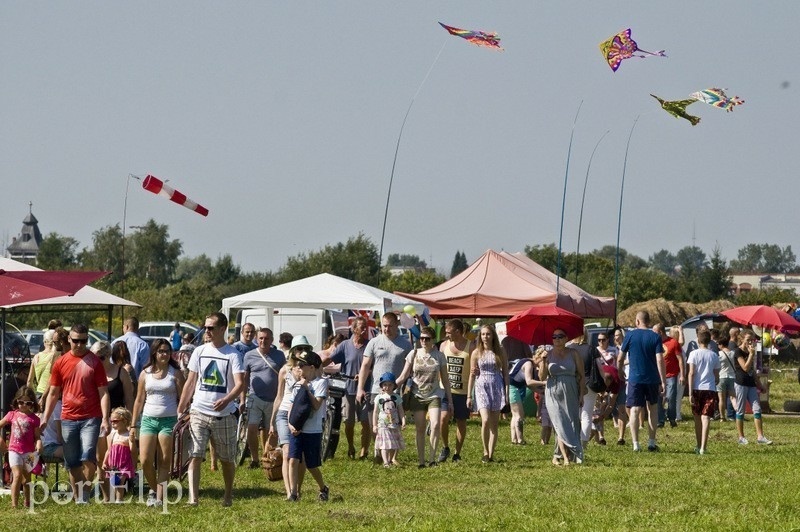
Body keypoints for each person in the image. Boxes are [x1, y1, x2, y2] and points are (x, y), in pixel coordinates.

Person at [177, 312, 245, 507]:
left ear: (222, 329)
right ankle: (193, 498)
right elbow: (191, 381)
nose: (206, 331)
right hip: (199, 410)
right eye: (205, 327)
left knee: (226, 459)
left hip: (224, 415)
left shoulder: (233, 354)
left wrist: (227, 400)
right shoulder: (199, 351)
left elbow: (240, 384)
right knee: (195, 454)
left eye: (211, 328)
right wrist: (182, 407)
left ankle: (228, 494)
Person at [41, 324, 111, 503]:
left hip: (91, 417)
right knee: (72, 462)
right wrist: (45, 418)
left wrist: (105, 418)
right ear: (69, 340)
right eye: (76, 341)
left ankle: (83, 497)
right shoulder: (61, 362)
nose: (80, 345)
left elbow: (103, 392)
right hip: (68, 418)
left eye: (84, 341)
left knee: (88, 457)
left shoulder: (94, 362)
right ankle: (79, 496)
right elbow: (54, 393)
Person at [131, 337, 185, 508]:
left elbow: (183, 398)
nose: (165, 354)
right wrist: (133, 424)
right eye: (161, 351)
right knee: (145, 459)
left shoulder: (175, 373)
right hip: (148, 420)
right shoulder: (145, 373)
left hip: (169, 421)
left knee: (164, 460)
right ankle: (155, 489)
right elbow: (139, 400)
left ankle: (160, 498)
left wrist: (183, 416)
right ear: (154, 353)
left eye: (168, 351)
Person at [356, 312, 413, 461]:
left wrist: (399, 383)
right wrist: (360, 388)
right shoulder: (374, 342)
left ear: (397, 325)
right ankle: (380, 451)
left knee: (393, 424)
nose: (387, 329)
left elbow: (409, 368)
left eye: (390, 326)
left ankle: (390, 456)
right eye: (384, 326)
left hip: (395, 391)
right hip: (376, 390)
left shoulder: (405, 344)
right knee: (374, 424)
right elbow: (365, 366)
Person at [396, 326, 452, 468]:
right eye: (421, 338)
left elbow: (445, 380)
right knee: (420, 428)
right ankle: (421, 461)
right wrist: (389, 387)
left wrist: (450, 400)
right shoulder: (413, 354)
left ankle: (432, 459)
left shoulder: (439, 356)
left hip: (434, 394)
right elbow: (403, 376)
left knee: (435, 424)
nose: (424, 341)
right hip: (417, 394)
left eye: (427, 339)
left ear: (433, 340)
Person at [323, 316, 370, 460]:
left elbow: (372, 366)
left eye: (365, 327)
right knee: (348, 422)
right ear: (354, 329)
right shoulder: (345, 345)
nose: (364, 330)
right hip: (348, 389)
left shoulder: (369, 345)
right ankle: (350, 446)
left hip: (366, 389)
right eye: (361, 327)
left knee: (365, 422)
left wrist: (364, 375)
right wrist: (316, 366)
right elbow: (330, 358)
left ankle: (364, 450)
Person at [93, 340, 134, 502]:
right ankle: (106, 496)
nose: (98, 361)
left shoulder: (120, 372)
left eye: (101, 357)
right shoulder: (93, 373)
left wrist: (131, 422)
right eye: (95, 357)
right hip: (99, 420)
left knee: (116, 460)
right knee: (100, 458)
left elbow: (129, 398)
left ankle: (118, 494)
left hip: (119, 423)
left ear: (109, 355)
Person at [286, 349, 329, 502]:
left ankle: (323, 487)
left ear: (311, 367)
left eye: (303, 366)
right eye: (298, 365)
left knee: (311, 465)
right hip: (296, 429)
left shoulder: (321, 383)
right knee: (293, 460)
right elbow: (291, 405)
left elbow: (317, 405)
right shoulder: (298, 384)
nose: (299, 368)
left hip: (312, 430)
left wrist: (306, 388)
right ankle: (293, 493)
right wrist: (290, 424)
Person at [619, 311, 665, 452]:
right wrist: (663, 380)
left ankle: (635, 444)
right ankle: (651, 442)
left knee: (635, 410)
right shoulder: (655, 336)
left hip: (635, 378)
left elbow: (620, 357)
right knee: (653, 409)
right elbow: (659, 359)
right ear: (648, 321)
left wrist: (620, 370)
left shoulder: (630, 335)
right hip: (652, 378)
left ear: (637, 321)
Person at [240, 327, 286, 468]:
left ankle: (267, 457)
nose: (263, 341)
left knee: (270, 430)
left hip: (274, 399)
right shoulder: (249, 355)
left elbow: (284, 376)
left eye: (266, 338)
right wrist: (242, 399)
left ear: (271, 340)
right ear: (256, 339)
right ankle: (254, 459)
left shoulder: (279, 355)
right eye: (260, 338)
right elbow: (244, 379)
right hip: (255, 396)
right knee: (252, 428)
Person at [539, 328, 585, 465]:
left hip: (570, 389)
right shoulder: (548, 355)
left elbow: (582, 376)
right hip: (552, 391)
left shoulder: (574, 353)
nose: (557, 339)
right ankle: (566, 457)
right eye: (554, 336)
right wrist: (543, 361)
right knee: (559, 423)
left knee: (571, 422)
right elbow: (542, 377)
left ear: (566, 338)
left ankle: (557, 456)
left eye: (560, 336)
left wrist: (582, 394)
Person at [268, 338, 306, 499]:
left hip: (301, 413)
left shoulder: (308, 369)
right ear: (293, 351)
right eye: (298, 349)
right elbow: (279, 395)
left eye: (304, 349)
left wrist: (302, 375)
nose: (301, 352)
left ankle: (297, 488)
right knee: (286, 451)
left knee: (300, 455)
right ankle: (289, 491)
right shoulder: (284, 370)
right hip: (283, 413)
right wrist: (272, 421)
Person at [466, 324, 508, 463]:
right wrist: (469, 395)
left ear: (493, 335)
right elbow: (472, 374)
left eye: (488, 334)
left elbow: (506, 373)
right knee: (485, 420)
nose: (485, 337)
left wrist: (506, 392)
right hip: (481, 385)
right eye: (483, 334)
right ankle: (485, 451)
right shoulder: (476, 352)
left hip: (496, 385)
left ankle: (491, 453)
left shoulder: (500, 350)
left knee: (494, 424)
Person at [0, 386, 42, 508]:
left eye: (28, 403)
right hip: (14, 450)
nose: (23, 405)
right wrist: (1, 440)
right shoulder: (11, 415)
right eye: (21, 402)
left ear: (32, 403)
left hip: (29, 452)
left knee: (27, 478)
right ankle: (14, 505)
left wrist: (39, 443)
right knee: (17, 475)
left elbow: (37, 436)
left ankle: (27, 502)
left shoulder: (35, 419)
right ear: (16, 401)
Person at [438, 319, 473, 463]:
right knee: (443, 418)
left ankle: (457, 453)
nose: (446, 335)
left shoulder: (471, 347)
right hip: (445, 390)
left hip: (463, 392)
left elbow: (475, 366)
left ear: (457, 332)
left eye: (448, 332)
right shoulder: (444, 345)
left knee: (461, 422)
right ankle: (445, 447)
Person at [733, 330, 772, 445]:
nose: (750, 342)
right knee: (741, 410)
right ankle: (741, 437)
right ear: (741, 340)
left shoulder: (751, 352)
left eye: (752, 340)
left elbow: (752, 370)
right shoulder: (738, 351)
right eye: (748, 340)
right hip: (741, 383)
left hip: (751, 384)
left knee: (757, 409)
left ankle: (760, 437)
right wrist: (751, 355)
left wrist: (760, 385)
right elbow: (745, 368)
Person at [686, 329, 720, 455]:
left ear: (698, 340)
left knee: (697, 419)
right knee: (706, 418)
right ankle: (703, 447)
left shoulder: (693, 354)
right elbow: (716, 376)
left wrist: (689, 393)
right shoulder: (714, 355)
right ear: (709, 340)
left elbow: (691, 373)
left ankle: (698, 443)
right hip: (710, 389)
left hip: (696, 388)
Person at [508, 346, 547, 445]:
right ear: (539, 358)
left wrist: (540, 391)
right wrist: (543, 383)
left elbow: (526, 383)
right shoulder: (528, 364)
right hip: (513, 388)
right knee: (519, 415)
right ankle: (520, 440)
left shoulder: (525, 361)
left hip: (513, 387)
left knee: (514, 415)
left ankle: (514, 439)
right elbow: (529, 382)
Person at [571, 328, 602, 447]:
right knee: (586, 415)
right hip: (590, 384)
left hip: (573, 384)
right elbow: (600, 368)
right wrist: (604, 381)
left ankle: (574, 440)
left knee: (574, 414)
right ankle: (583, 443)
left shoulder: (569, 349)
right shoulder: (592, 349)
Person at [102, 407, 136, 503]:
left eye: (115, 421)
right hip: (113, 464)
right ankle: (113, 498)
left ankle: (119, 499)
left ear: (125, 421)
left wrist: (132, 442)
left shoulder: (128, 435)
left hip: (124, 463)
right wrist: (105, 462)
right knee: (114, 481)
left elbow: (133, 451)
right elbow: (109, 450)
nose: (112, 423)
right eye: (111, 421)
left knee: (120, 482)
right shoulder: (112, 435)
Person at [372, 372, 405, 467]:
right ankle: (385, 462)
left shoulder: (397, 397)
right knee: (384, 444)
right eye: (385, 385)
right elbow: (375, 412)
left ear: (394, 385)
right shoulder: (379, 398)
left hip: (394, 425)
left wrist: (403, 421)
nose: (387, 387)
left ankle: (390, 460)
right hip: (382, 425)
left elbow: (401, 411)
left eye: (390, 385)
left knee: (393, 444)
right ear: (382, 386)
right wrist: (374, 425)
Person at [654, 324, 684, 428]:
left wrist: (682, 375)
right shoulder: (654, 343)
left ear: (660, 332)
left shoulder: (673, 342)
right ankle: (660, 420)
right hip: (657, 375)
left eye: (655, 332)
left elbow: (680, 360)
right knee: (658, 398)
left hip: (671, 375)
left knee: (671, 397)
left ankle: (671, 418)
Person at [113, 317, 150, 385]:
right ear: (137, 328)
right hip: (136, 384)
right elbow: (146, 368)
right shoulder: (143, 344)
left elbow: (111, 363)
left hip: (117, 383)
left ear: (126, 327)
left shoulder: (115, 342)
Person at [27, 329, 57, 404]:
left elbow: (29, 381)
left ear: (45, 342)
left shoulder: (36, 357)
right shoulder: (57, 356)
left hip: (39, 394)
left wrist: (34, 396)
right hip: (53, 394)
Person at [611, 328, 629, 445]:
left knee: (622, 406)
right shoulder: (612, 349)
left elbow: (628, 360)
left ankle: (621, 437)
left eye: (618, 335)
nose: (616, 337)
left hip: (623, 378)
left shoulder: (625, 348)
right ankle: (614, 423)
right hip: (610, 380)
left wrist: (619, 363)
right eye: (615, 335)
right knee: (610, 406)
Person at [716, 332, 738, 422]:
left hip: (722, 377)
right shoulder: (733, 353)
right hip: (732, 376)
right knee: (733, 397)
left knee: (721, 398)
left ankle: (722, 417)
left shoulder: (719, 354)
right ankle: (738, 413)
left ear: (721, 344)